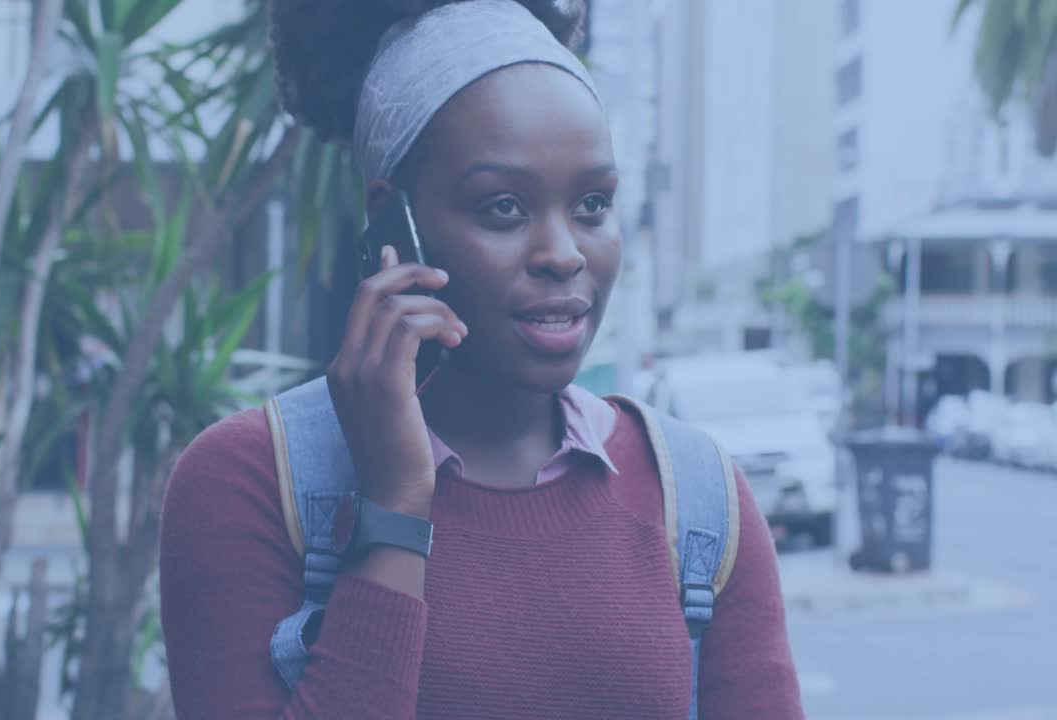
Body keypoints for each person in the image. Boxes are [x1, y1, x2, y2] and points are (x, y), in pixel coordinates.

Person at [158, 1, 805, 718]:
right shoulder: (251, 481)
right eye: (503, 208)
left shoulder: (701, 502)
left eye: (593, 203)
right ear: (392, 225)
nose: (563, 254)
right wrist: (396, 508)